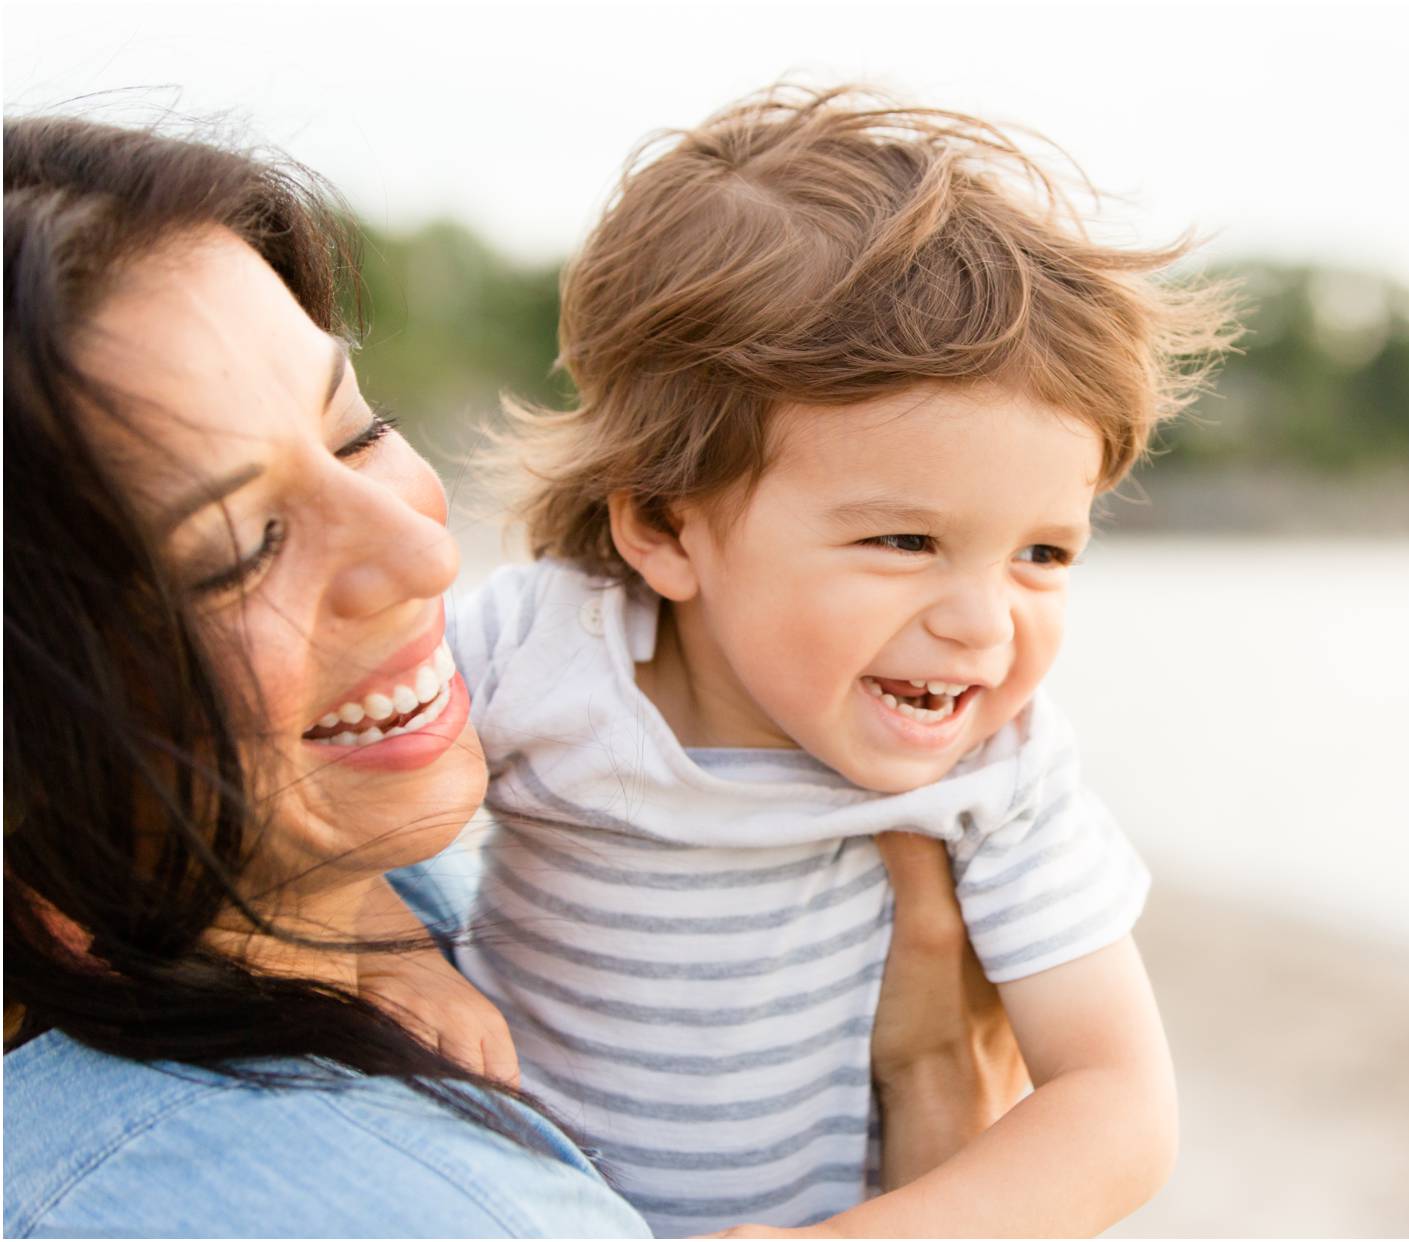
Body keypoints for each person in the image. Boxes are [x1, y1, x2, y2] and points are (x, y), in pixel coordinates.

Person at [2, 114, 1025, 1238]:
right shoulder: (417, 1209)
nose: (425, 552)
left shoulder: (333, 888)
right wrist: (939, 1078)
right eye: (241, 546)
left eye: (358, 434)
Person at [416, 84, 1239, 1237]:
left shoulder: (1001, 771)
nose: (983, 624)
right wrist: (371, 943)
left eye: (1043, 553)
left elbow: (1118, 1106)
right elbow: (294, 769)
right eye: (906, 541)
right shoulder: (543, 649)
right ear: (666, 527)